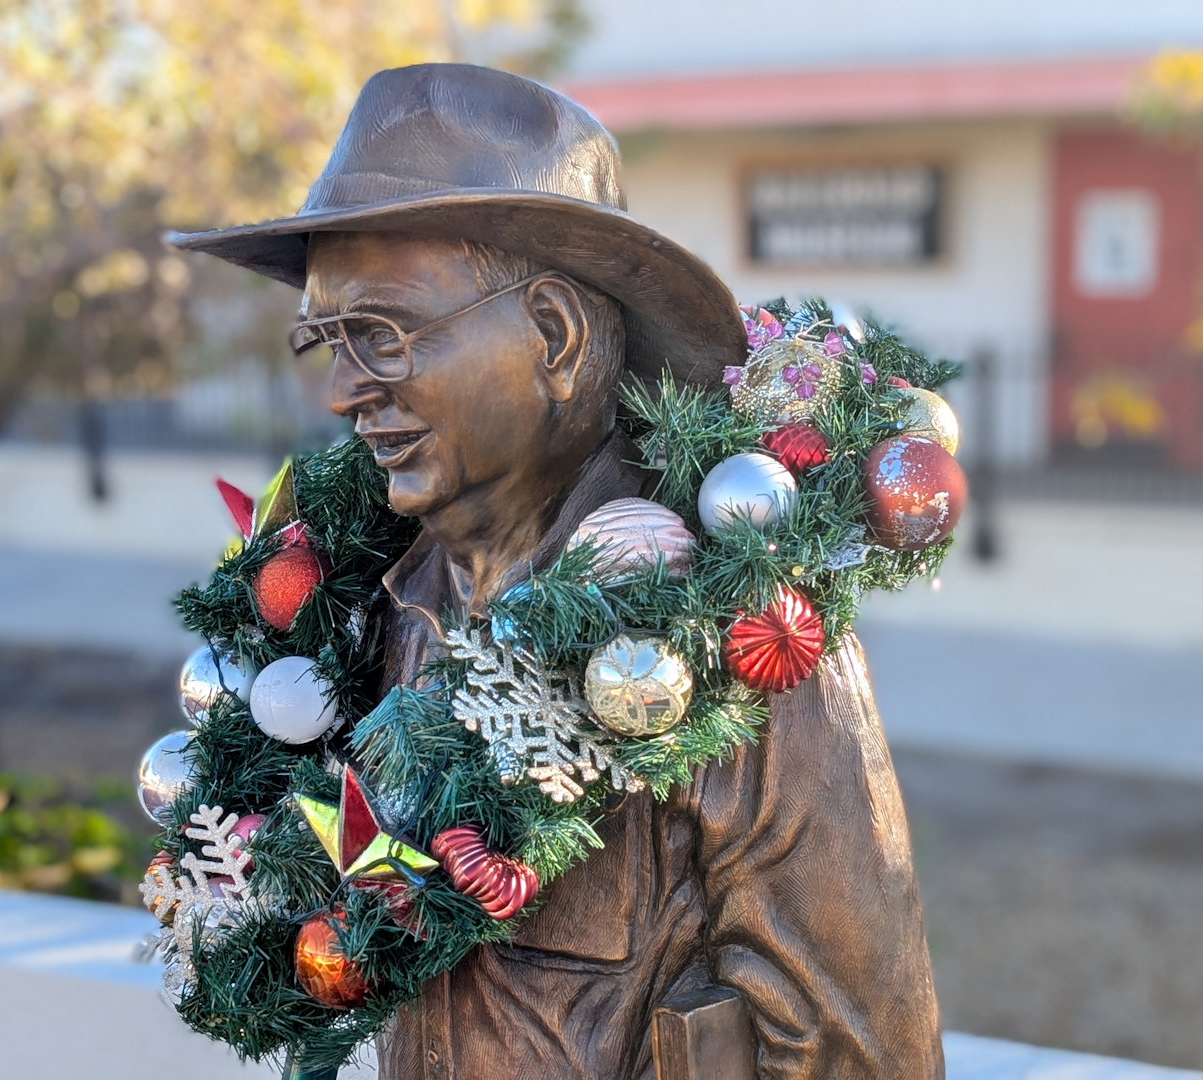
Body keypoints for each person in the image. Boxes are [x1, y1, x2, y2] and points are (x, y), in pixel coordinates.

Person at [173, 62, 942, 1080]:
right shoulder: (366, 616)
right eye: (328, 340)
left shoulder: (745, 642)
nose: (343, 392)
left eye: (382, 336)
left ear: (554, 335)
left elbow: (861, 1053)